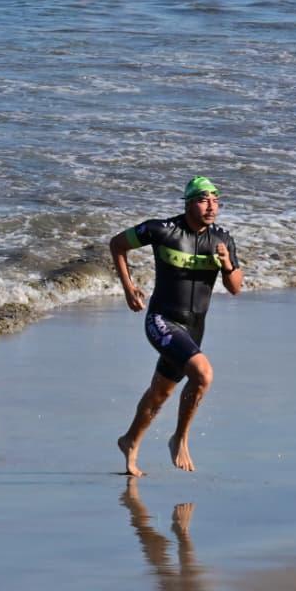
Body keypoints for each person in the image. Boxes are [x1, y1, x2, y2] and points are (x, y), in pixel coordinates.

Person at [109, 176, 243, 475]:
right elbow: (117, 244)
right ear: (188, 203)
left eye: (216, 201)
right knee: (203, 374)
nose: (211, 207)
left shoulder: (222, 239)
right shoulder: (162, 230)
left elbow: (235, 287)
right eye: (204, 200)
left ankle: (130, 441)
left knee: (160, 393)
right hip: (162, 320)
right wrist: (128, 288)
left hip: (194, 328)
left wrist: (226, 264)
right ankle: (180, 439)